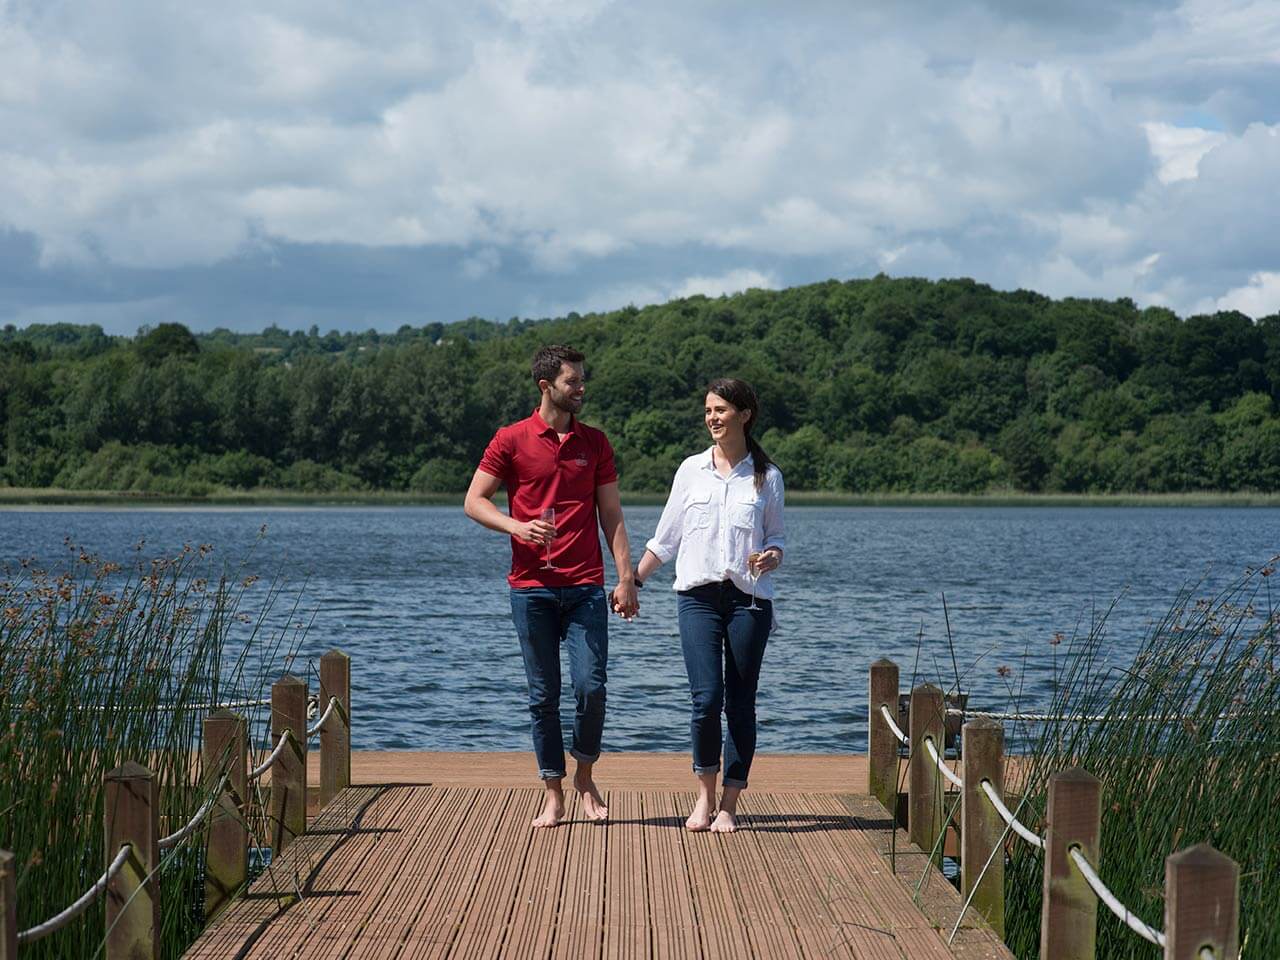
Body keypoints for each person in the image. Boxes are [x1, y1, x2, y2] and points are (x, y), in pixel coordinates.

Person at [464, 344, 639, 828]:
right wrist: (516, 527)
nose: (581, 387)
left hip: (585, 587)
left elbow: (611, 515)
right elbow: (474, 501)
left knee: (591, 688)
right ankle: (553, 793)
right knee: (543, 695)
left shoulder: (595, 443)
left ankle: (585, 775)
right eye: (572, 381)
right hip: (530, 588)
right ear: (546, 386)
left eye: (582, 379)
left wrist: (626, 578)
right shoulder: (511, 439)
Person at [634, 378, 785, 833]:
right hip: (696, 598)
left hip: (749, 600)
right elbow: (665, 539)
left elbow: (776, 539)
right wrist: (632, 581)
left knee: (740, 702)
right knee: (705, 699)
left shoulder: (767, 477)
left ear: (744, 414)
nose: (712, 418)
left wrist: (771, 556)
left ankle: (729, 804)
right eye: (707, 411)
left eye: (720, 410)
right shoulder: (690, 471)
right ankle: (704, 797)